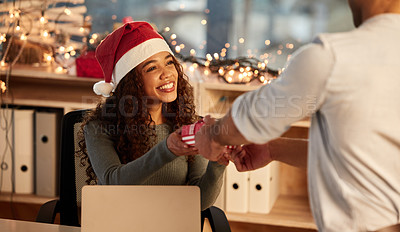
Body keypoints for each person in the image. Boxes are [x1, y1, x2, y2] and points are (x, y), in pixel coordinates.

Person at [195, 0, 400, 231]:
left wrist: (212, 135)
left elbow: (251, 118)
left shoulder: (334, 57)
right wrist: (273, 149)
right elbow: (363, 154)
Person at [76, 21, 228, 211]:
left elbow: (199, 203)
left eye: (169, 62)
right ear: (131, 81)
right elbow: (114, 183)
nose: (167, 74)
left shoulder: (188, 124)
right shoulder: (100, 128)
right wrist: (167, 150)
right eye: (152, 68)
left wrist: (217, 164)